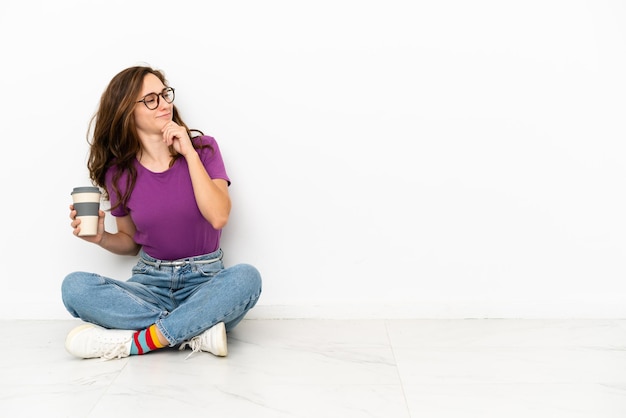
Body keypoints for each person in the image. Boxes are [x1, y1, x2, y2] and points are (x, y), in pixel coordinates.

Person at [61, 65, 262, 360]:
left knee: (247, 278)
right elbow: (130, 243)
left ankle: (136, 342)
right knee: (74, 287)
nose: (165, 103)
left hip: (204, 281)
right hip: (149, 284)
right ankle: (195, 329)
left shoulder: (203, 149)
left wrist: (188, 154)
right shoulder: (118, 173)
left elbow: (219, 216)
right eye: (151, 99)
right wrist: (102, 237)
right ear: (127, 112)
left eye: (164, 94)